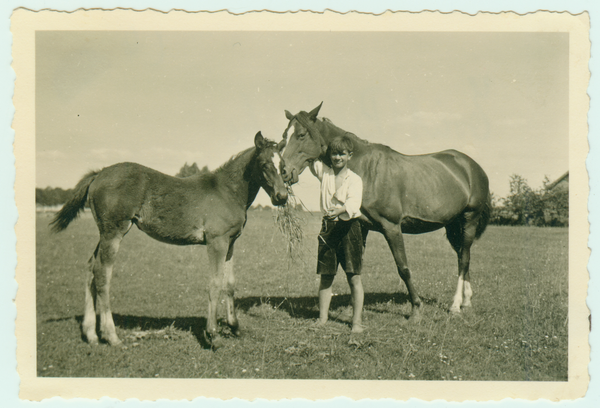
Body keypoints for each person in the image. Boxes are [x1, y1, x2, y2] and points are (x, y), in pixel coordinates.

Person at [310, 135, 365, 333]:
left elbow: (354, 203)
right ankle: (322, 319)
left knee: (353, 277)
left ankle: (356, 322)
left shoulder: (355, 179)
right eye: (334, 153)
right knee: (326, 276)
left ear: (349, 156)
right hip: (328, 229)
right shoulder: (324, 174)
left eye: (342, 153)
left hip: (349, 230)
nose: (337, 157)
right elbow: (311, 155)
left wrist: (339, 211)